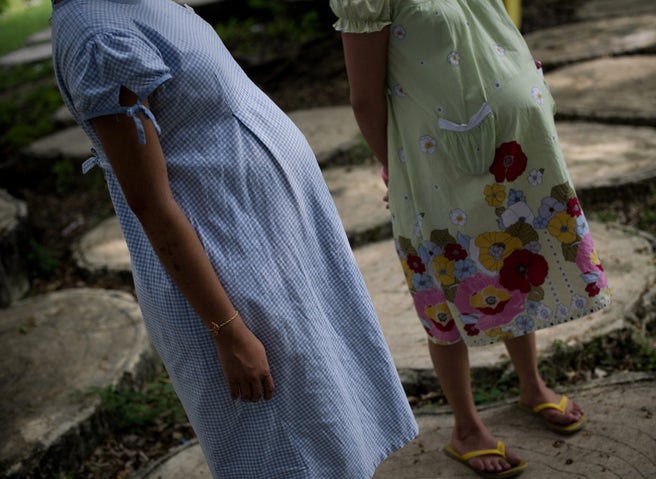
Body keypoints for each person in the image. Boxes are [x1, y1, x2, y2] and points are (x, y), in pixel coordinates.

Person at [50, 0, 418, 477]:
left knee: (331, 425)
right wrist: (228, 331)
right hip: (231, 276)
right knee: (294, 450)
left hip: (271, 252)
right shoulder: (98, 38)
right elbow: (151, 205)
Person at [331, 0, 611, 477]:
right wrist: (394, 171)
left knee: (515, 263)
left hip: (510, 154)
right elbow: (365, 98)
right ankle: (465, 427)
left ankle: (531, 385)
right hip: (434, 165)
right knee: (446, 289)